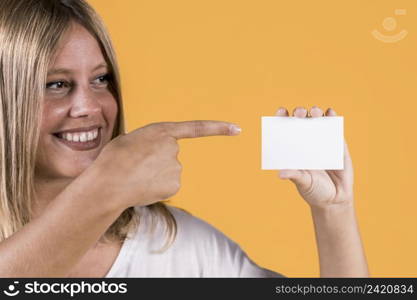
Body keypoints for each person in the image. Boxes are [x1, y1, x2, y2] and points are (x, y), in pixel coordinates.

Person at [0, 0, 368, 278]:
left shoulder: (174, 244)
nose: (88, 107)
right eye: (56, 84)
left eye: (101, 80)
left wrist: (334, 211)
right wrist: (105, 189)